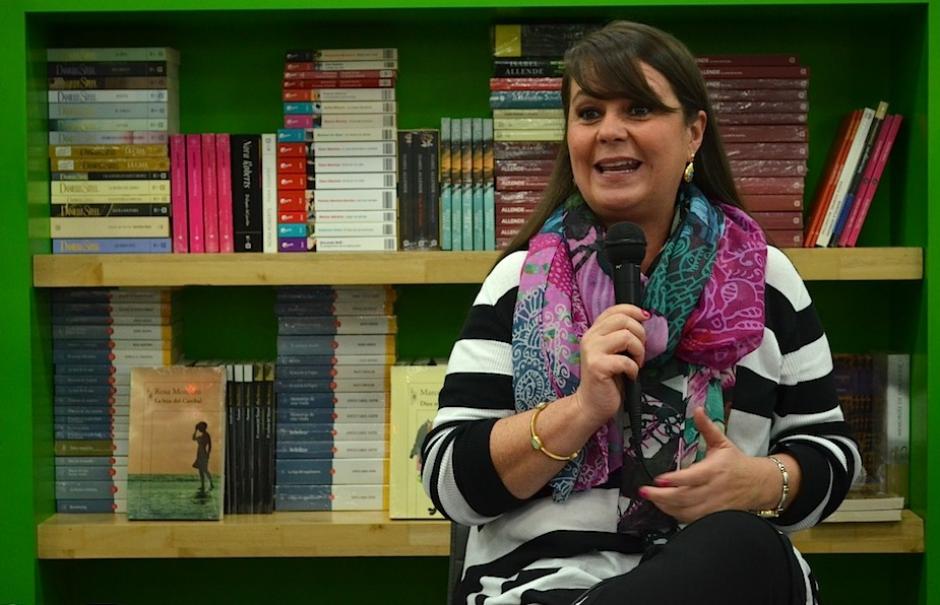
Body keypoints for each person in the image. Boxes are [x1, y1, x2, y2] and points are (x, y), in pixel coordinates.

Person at [421, 20, 859, 605]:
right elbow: (449, 482)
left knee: (742, 546)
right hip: (540, 589)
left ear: (694, 132)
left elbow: (831, 453)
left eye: (638, 109)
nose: (610, 131)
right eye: (589, 112)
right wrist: (578, 410)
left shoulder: (768, 281)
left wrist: (757, 483)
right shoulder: (518, 283)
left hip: (720, 578)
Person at [192, 421, 213, 493]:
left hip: (203, 453)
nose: (200, 429)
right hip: (199, 454)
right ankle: (203, 485)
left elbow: (210, 445)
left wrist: (208, 454)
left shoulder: (207, 435)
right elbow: (193, 438)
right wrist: (195, 430)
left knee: (205, 469)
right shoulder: (201, 436)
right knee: (200, 471)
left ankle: (211, 483)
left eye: (200, 427)